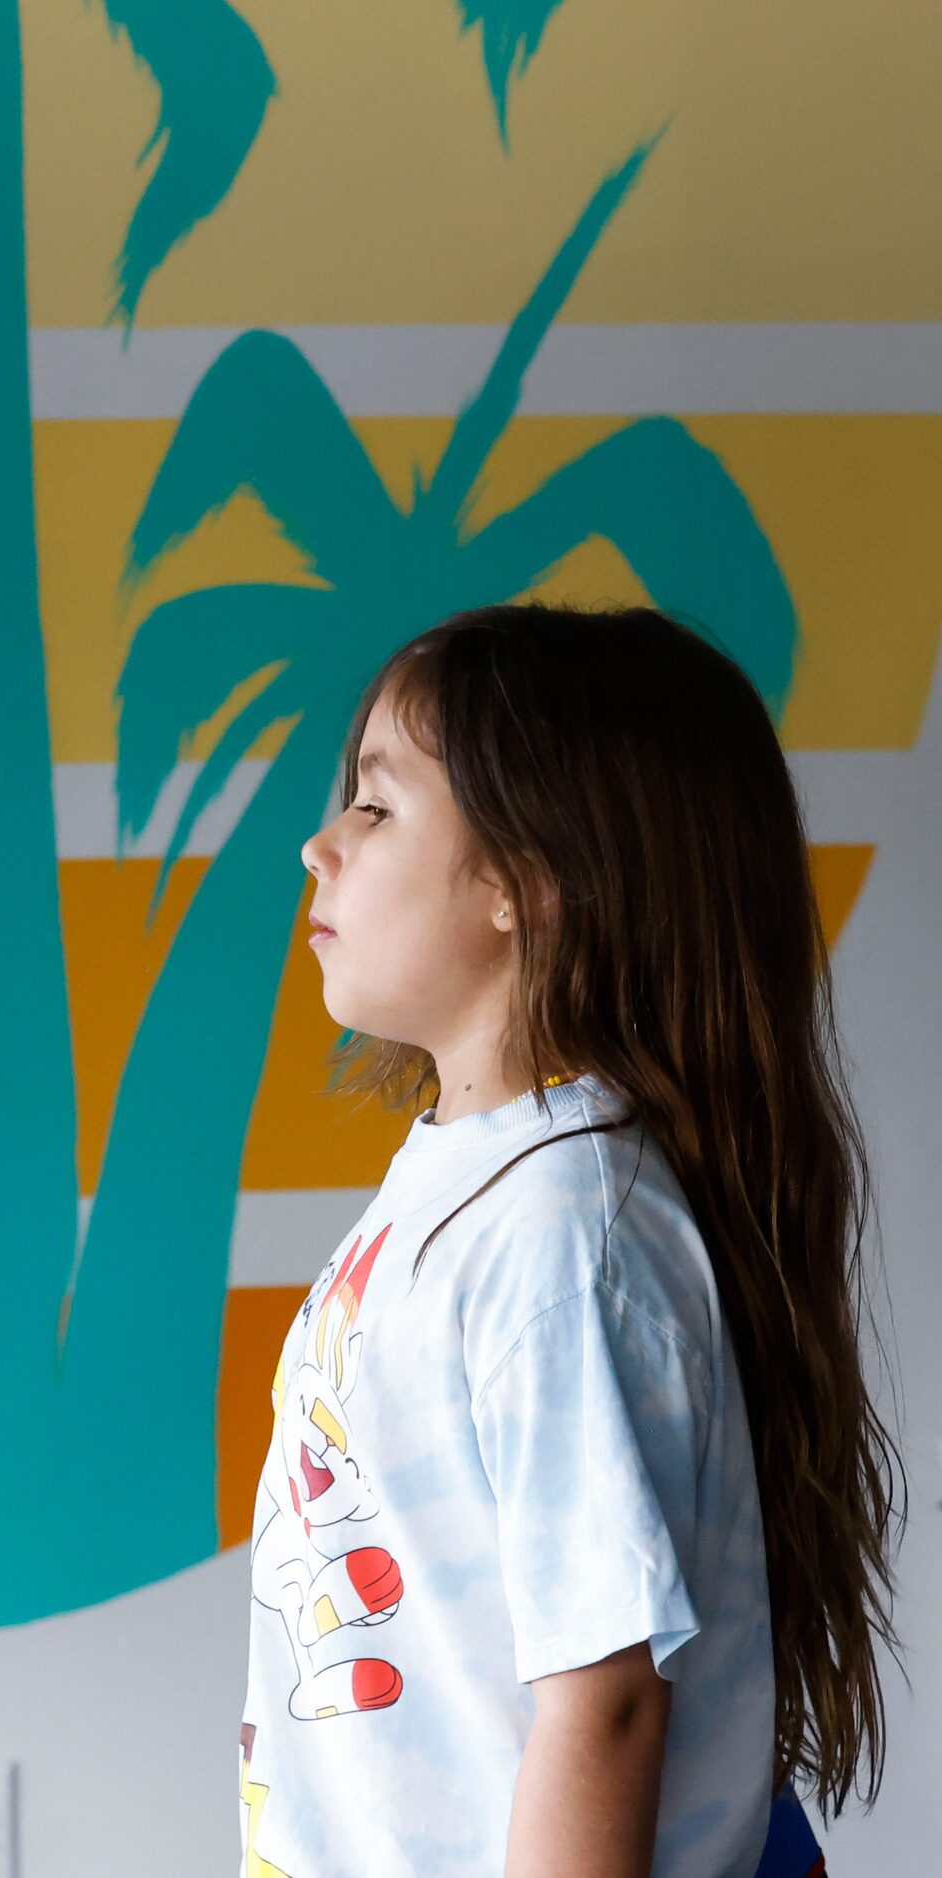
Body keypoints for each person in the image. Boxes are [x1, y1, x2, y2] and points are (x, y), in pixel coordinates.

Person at [241, 605, 899, 1877]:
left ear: (524, 879)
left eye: (374, 809)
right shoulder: (483, 1186)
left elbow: (600, 1698)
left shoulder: (560, 1235)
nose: (317, 846)